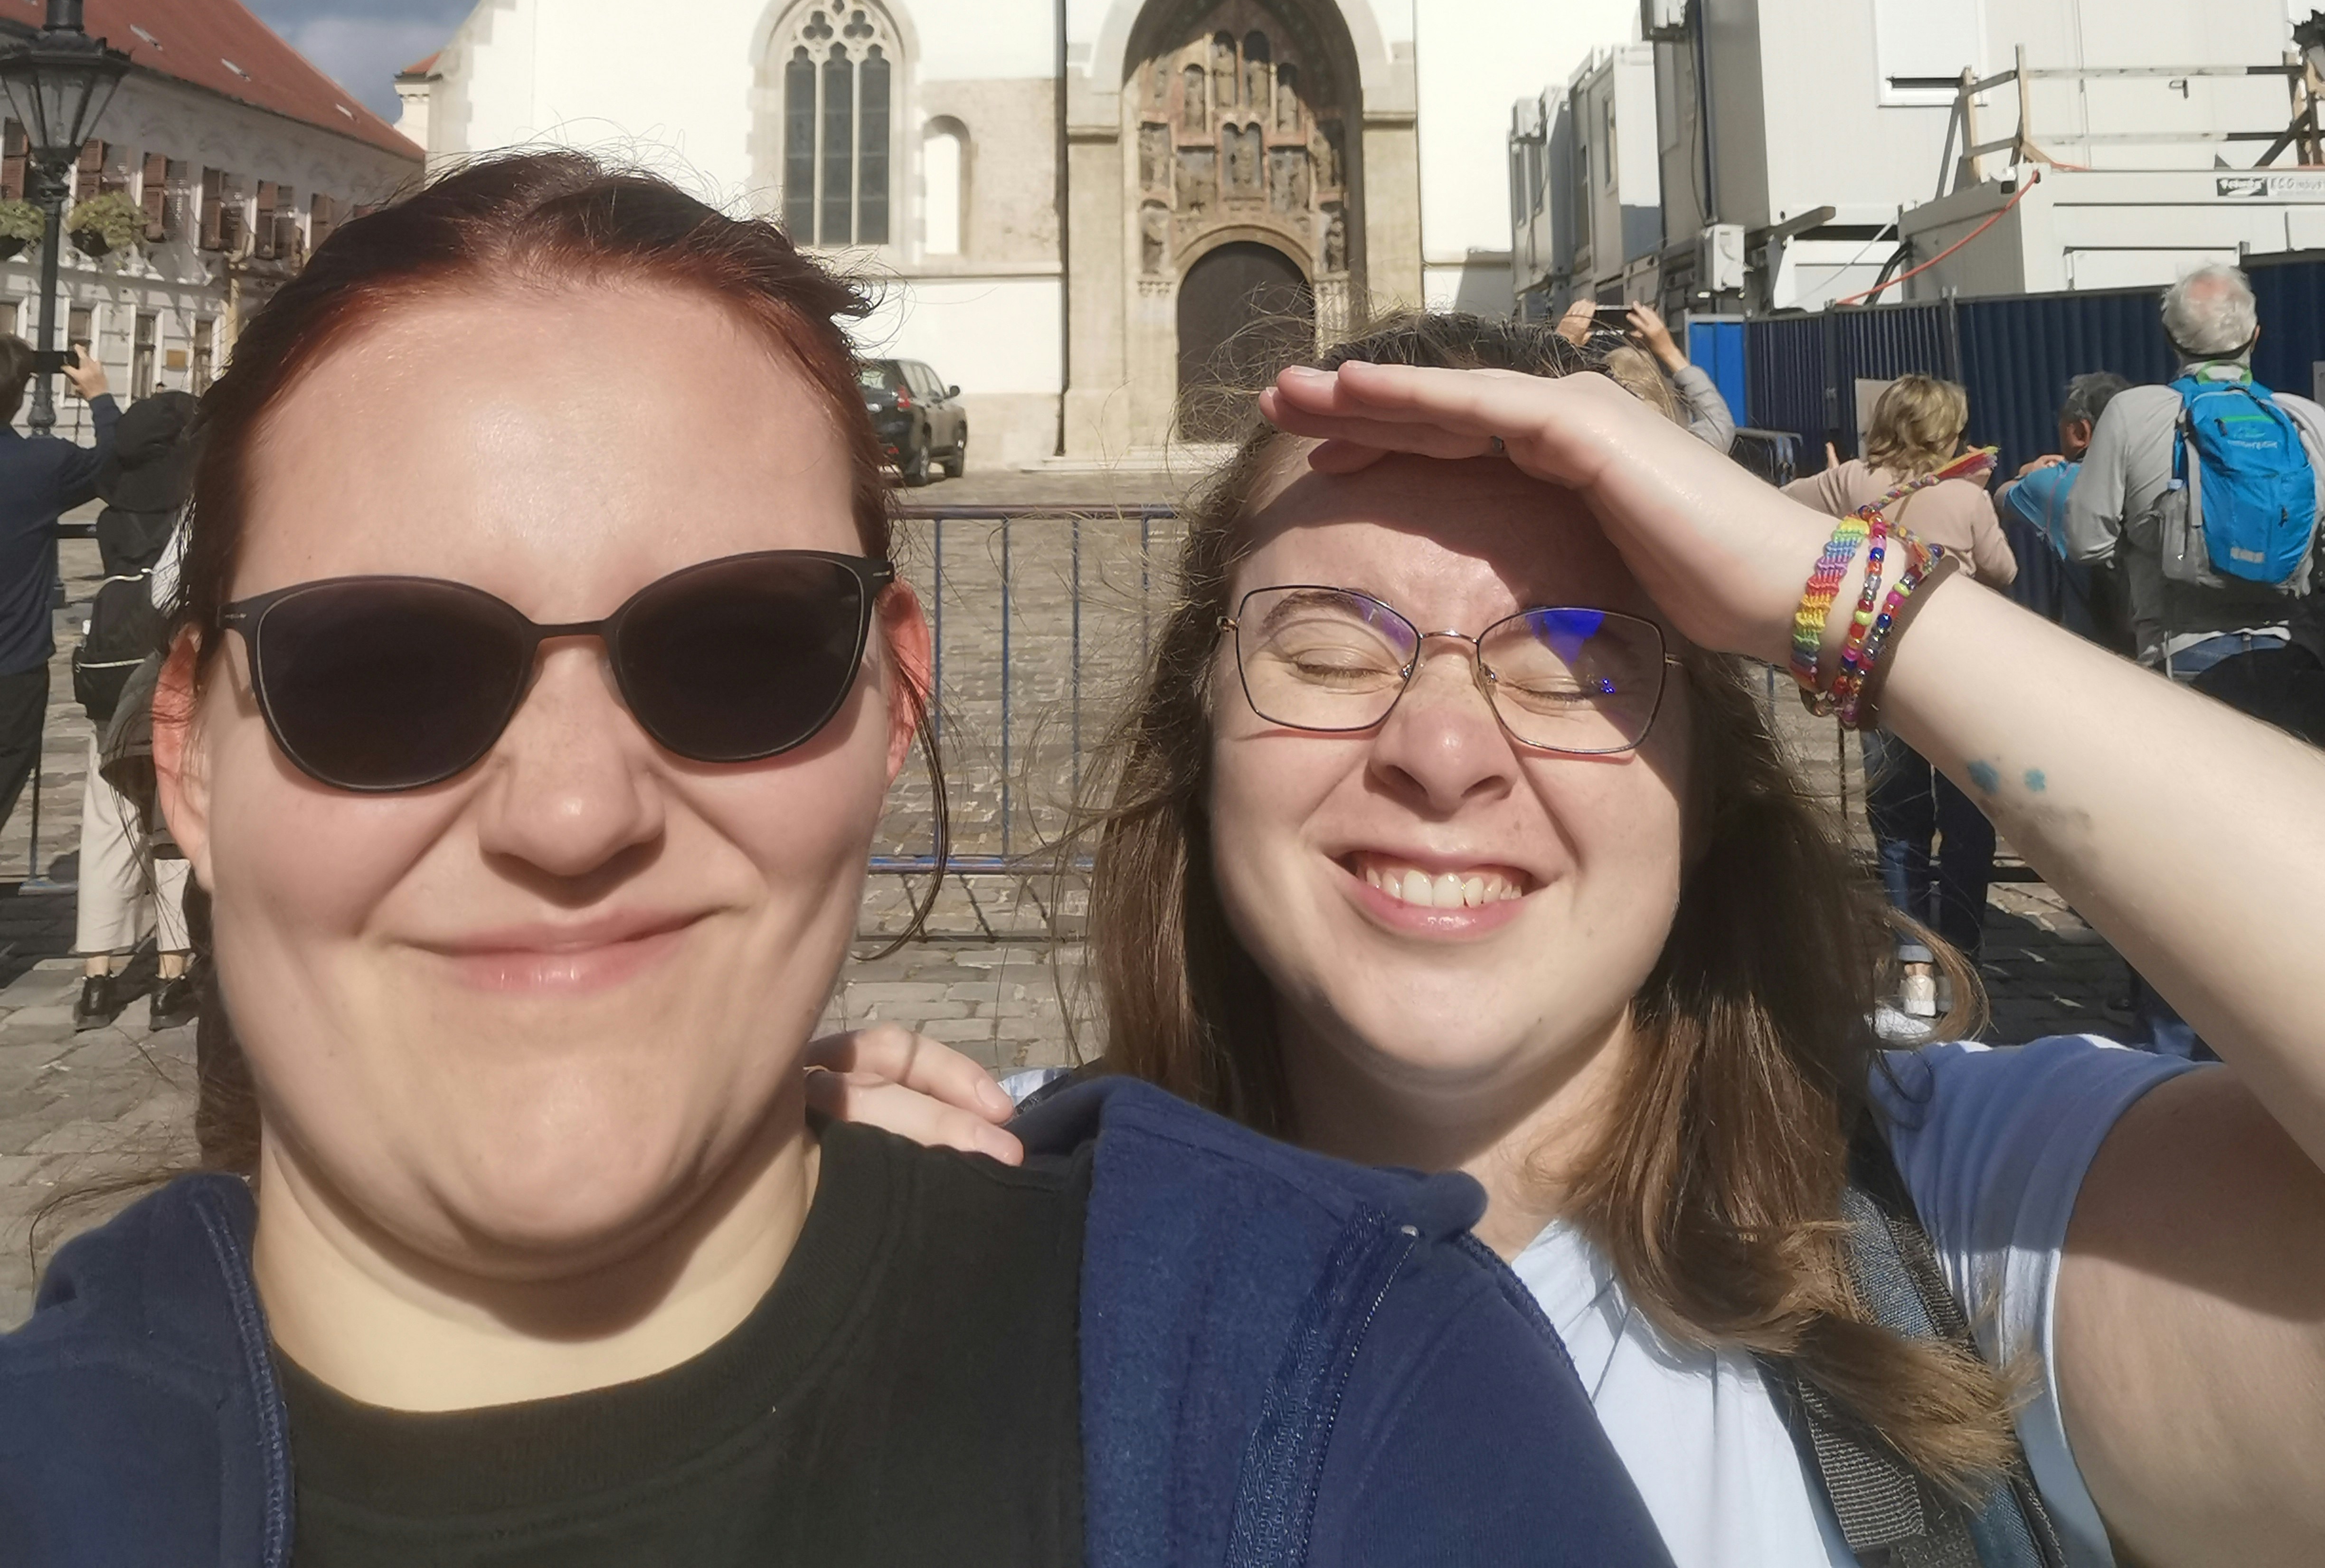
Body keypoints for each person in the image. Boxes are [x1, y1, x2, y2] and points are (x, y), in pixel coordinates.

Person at [0, 154, 1672, 1568]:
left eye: (737, 646)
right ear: (184, 753)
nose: (571, 813)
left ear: (892, 696)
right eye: (385, 668)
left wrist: (1817, 600)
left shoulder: (1330, 1393)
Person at [827, 312, 2325, 1568]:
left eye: (1578, 662)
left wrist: (1841, 595)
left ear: (1707, 782)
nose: (1442, 751)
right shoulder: (976, 1225)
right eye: (1329, 650)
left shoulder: (1963, 1233)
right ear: (1199, 733)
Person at [2065, 267, 2325, 1057]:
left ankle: (2174, 1060)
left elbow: (2086, 539)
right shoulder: (2307, 420)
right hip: (2293, 667)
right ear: (2255, 337)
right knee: (2285, 865)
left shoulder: (2136, 412)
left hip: (2181, 668)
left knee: (2177, 872)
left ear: (2170, 339)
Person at [1787, 377, 2016, 1008]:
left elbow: (1777, 503)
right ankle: (1962, 962)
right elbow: (2004, 570)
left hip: (1878, 673)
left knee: (1898, 818)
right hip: (1959, 679)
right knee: (1967, 823)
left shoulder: (1851, 480)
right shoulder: (1965, 495)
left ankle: (1914, 967)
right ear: (1950, 429)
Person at [71, 389, 197, 1031]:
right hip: (162, 670)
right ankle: (172, 978)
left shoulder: (115, 511)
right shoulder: (192, 502)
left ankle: (97, 980)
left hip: (106, 670)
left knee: (107, 820)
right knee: (173, 819)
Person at [0, 333, 117, 861]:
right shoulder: (42, 465)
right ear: (21, 393)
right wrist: (99, 397)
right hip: (13, 667)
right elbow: (113, 461)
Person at [1997, 373, 2130, 648]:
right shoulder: (2158, 472)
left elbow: (2002, 498)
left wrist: (2028, 472)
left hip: (2094, 649)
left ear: (2080, 433)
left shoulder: (2057, 483)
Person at [1556, 292, 1736, 450]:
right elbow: (1719, 422)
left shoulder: (1584, 454)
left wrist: (1558, 347)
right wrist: (1670, 353)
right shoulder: (1691, 453)